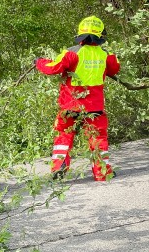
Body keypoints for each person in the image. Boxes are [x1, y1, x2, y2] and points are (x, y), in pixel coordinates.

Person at [36, 16, 120, 181]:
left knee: (63, 136)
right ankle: (102, 172)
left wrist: (39, 62)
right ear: (101, 35)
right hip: (94, 108)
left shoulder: (72, 53)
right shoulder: (106, 55)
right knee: (98, 139)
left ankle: (59, 169)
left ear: (80, 33)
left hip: (70, 106)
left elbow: (52, 68)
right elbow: (114, 69)